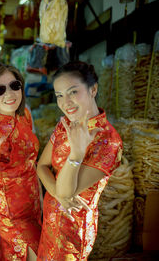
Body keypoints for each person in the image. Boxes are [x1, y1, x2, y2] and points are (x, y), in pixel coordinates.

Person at [36, 61, 123, 260]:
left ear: (93, 89)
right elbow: (41, 166)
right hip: (50, 220)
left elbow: (68, 191)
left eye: (72, 92)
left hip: (73, 230)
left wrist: (76, 154)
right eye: (59, 95)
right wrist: (58, 196)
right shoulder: (66, 124)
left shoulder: (109, 141)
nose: (65, 102)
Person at [0, 64, 41, 261]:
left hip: (33, 206)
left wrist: (41, 203)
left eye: (14, 85)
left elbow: (31, 164)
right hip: (12, 214)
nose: (10, 94)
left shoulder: (24, 116)